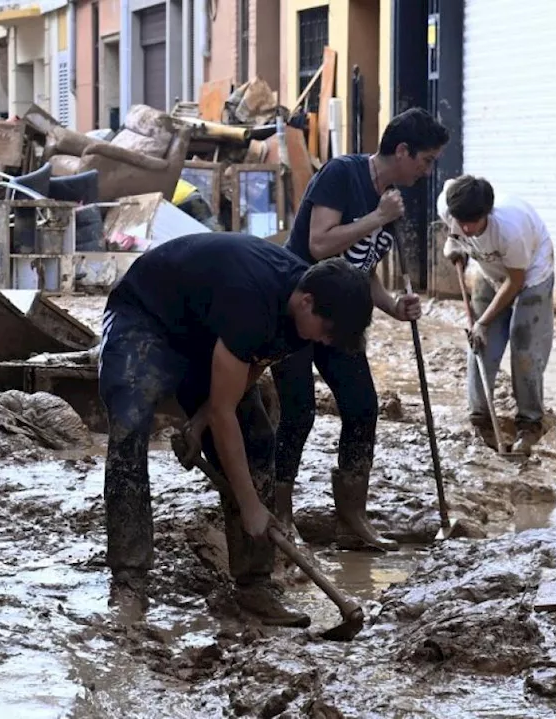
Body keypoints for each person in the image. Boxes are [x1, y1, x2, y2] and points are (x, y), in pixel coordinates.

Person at [99, 232, 373, 625]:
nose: (327, 341)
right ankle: (129, 580)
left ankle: (254, 585)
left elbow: (253, 365)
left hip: (209, 332)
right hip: (146, 315)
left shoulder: (303, 315)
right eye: (327, 331)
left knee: (258, 440)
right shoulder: (253, 300)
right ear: (307, 301)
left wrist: (199, 422)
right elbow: (225, 410)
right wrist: (250, 505)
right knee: (129, 422)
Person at [271, 107, 450, 551]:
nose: (427, 172)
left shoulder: (393, 198)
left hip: (344, 316)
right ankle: (279, 514)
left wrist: (391, 305)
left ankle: (352, 516)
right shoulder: (342, 174)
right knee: (299, 411)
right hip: (301, 308)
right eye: (425, 161)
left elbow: (361, 264)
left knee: (363, 406)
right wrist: (377, 217)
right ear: (403, 150)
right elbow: (319, 242)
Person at [438, 175, 555, 454]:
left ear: (487, 213)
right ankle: (480, 420)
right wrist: (453, 243)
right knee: (480, 346)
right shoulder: (450, 207)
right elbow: (453, 216)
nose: (465, 228)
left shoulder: (510, 229)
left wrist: (482, 321)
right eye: (460, 222)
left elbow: (514, 282)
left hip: (530, 276)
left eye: (472, 223)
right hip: (490, 273)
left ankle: (530, 424)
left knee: (524, 348)